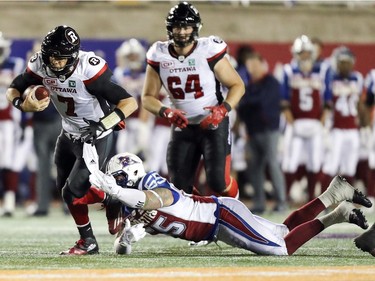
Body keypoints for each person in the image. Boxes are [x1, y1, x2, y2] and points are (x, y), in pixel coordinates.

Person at [6, 25, 138, 255]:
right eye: (51, 56)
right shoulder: (40, 64)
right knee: (64, 189)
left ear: (74, 55)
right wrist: (22, 103)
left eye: (60, 57)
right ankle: (110, 198)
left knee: (71, 192)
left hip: (95, 135)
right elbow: (14, 88)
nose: (55, 62)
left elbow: (129, 102)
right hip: (68, 133)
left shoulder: (89, 70)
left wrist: (102, 125)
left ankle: (88, 242)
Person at [86, 150, 372, 256]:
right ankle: (333, 194)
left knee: (281, 249)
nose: (117, 183)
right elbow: (121, 247)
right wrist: (128, 237)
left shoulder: (149, 185)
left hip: (220, 216)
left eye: (120, 178)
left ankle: (340, 212)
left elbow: (155, 200)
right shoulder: (128, 201)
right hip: (218, 222)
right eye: (114, 179)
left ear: (132, 175)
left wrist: (118, 192)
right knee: (283, 233)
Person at [141, 2, 245, 197]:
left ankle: (238, 211)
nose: (181, 31)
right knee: (179, 186)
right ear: (169, 28)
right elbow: (147, 98)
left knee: (218, 181)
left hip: (213, 123)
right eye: (177, 26)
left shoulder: (208, 50)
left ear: (195, 27)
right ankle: (197, 219)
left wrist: (223, 109)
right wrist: (167, 112)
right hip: (182, 125)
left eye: (186, 26)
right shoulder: (159, 54)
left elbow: (238, 85)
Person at [237, 52, 287, 213]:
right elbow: (243, 106)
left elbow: (260, 103)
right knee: (254, 168)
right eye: (249, 65)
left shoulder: (271, 82)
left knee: (273, 164)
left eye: (254, 64)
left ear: (261, 64)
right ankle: (259, 202)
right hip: (253, 131)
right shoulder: (250, 85)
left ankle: (281, 201)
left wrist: (247, 103)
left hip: (269, 130)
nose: (252, 68)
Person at [280, 35, 326, 203]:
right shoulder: (288, 71)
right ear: (296, 53)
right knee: (290, 161)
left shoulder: (321, 70)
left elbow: (326, 100)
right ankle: (285, 197)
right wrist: (291, 121)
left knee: (315, 161)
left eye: (307, 52)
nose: (305, 56)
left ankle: (312, 197)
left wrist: (321, 121)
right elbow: (283, 100)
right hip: (296, 121)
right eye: (302, 53)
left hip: (314, 121)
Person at [320, 46, 363, 190]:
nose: (345, 65)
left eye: (348, 62)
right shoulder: (330, 79)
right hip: (336, 129)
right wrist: (325, 127)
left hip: (352, 129)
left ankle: (347, 203)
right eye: (342, 62)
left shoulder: (357, 77)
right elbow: (326, 104)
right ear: (336, 63)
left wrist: (365, 127)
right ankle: (322, 202)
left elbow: (359, 105)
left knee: (350, 168)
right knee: (331, 166)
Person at [0, 31, 26, 216]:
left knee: (8, 160)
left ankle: (8, 201)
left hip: (10, 120)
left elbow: (16, 84)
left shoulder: (15, 63)